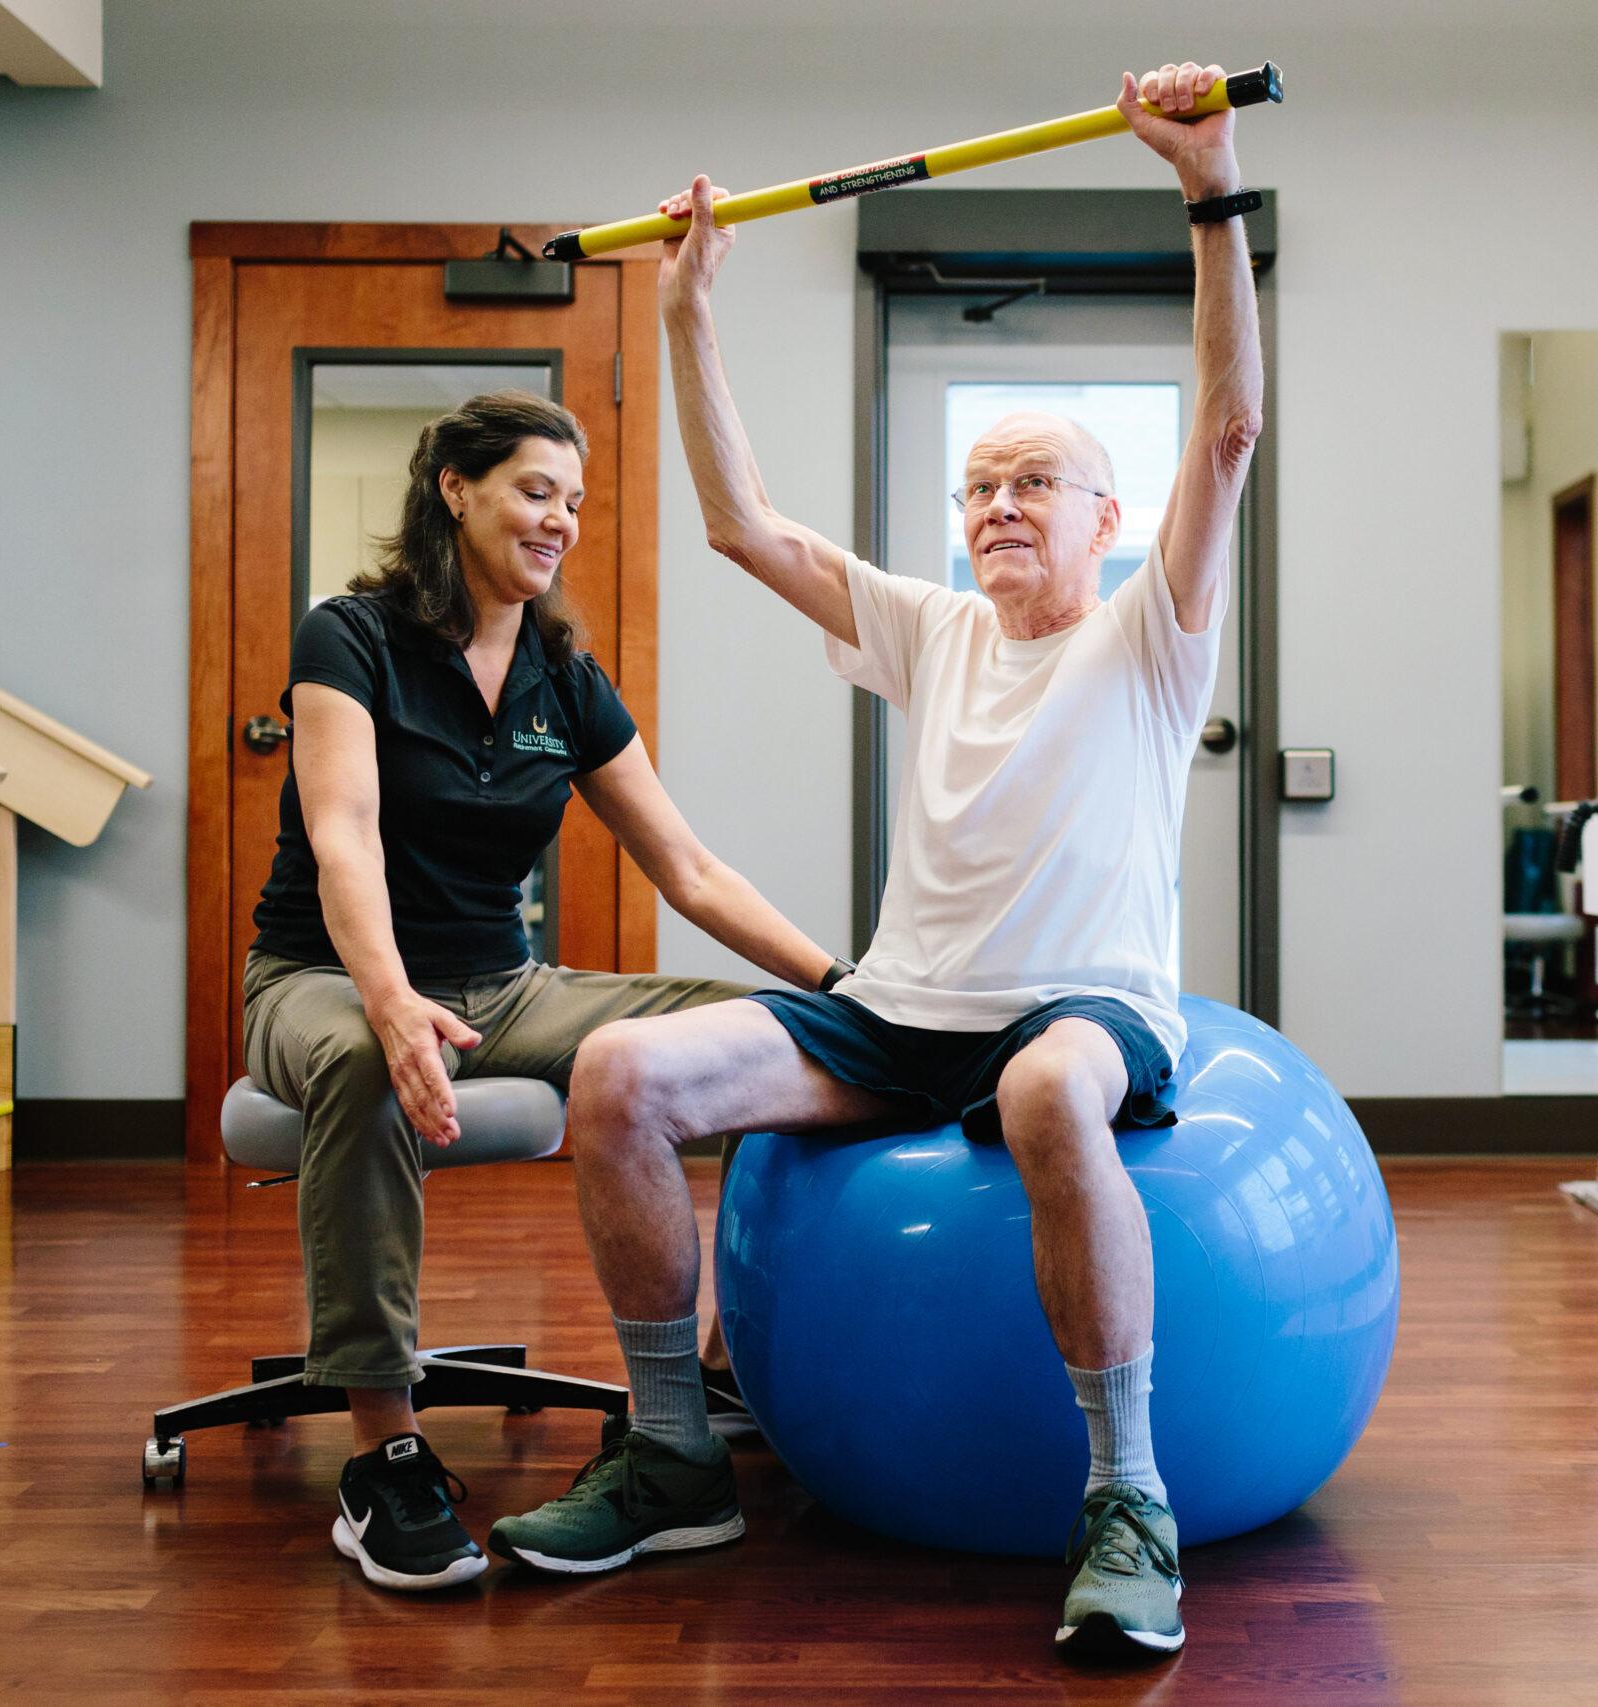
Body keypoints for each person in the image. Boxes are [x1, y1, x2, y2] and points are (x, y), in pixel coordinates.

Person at [487, 63, 1263, 1657]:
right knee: (620, 1076)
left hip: (1082, 1006)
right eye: (978, 485)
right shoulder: (930, 626)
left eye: (1033, 482)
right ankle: (675, 1452)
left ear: (1109, 513)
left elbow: (1236, 418)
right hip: (900, 1010)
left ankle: (1127, 1494)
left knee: (1049, 1092)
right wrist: (687, 314)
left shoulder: (1152, 632)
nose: (995, 507)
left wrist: (1206, 182)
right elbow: (740, 522)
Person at [243, 389, 846, 1592]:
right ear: (453, 490)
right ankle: (385, 1455)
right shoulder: (348, 635)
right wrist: (393, 999)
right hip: (319, 977)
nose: (561, 519)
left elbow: (689, 868)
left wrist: (846, 984)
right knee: (368, 1050)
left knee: (774, 1037)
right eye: (534, 491)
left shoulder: (563, 676)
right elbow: (345, 833)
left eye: (573, 500)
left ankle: (719, 1376)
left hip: (506, 988)